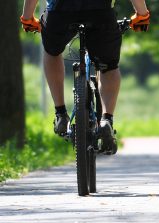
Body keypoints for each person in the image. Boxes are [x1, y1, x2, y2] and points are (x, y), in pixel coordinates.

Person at [20, 0, 150, 154]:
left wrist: (27, 17)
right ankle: (106, 120)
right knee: (108, 66)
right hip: (100, 10)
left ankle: (61, 114)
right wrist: (142, 14)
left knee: (52, 52)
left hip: (60, 11)